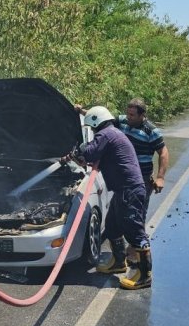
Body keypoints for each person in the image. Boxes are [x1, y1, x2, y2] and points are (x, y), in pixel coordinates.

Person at [62, 106, 152, 290]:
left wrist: (76, 152)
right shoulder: (112, 134)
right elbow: (92, 158)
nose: (93, 131)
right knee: (112, 227)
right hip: (123, 190)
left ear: (96, 122)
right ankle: (119, 263)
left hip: (130, 190)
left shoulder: (106, 135)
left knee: (135, 232)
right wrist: (78, 158)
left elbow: (88, 152)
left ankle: (145, 275)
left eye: (92, 127)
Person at [75, 99, 169, 212]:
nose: (128, 117)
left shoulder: (151, 131)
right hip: (123, 176)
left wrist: (160, 178)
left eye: (132, 115)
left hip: (141, 177)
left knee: (136, 213)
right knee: (118, 212)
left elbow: (163, 153)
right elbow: (100, 119)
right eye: (128, 113)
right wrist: (81, 111)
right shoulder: (122, 121)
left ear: (142, 115)